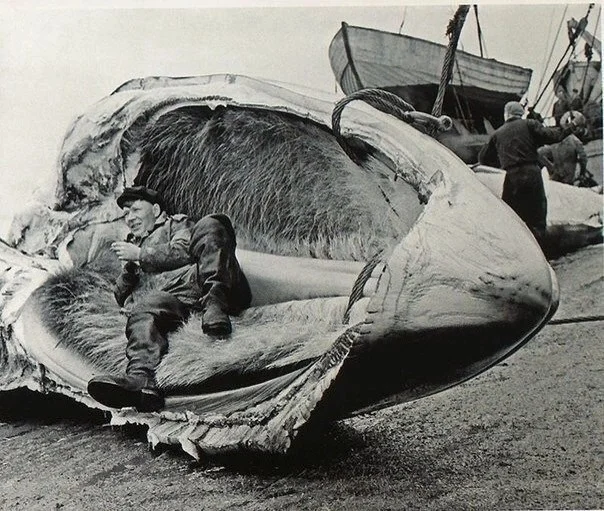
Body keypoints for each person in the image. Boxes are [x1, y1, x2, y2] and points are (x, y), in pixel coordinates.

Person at [87, 186, 252, 412]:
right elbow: (120, 295)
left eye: (135, 210)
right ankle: (141, 379)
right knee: (145, 308)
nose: (130, 218)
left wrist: (141, 255)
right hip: (176, 299)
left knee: (212, 223)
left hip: (207, 282)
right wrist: (129, 270)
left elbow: (185, 251)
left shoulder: (176, 225)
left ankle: (215, 303)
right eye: (126, 213)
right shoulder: (133, 242)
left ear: (155, 210)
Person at [478, 101, 567, 244]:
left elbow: (483, 158)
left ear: (506, 114)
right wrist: (571, 127)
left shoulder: (497, 134)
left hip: (511, 177)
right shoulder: (529, 124)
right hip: (531, 173)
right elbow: (553, 136)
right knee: (537, 216)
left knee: (513, 216)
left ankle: (518, 247)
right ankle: (542, 247)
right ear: (521, 113)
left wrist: (503, 161)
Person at [538, 111, 589, 185]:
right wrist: (582, 173)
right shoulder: (575, 141)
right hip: (569, 178)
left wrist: (551, 168)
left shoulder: (554, 142)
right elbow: (583, 158)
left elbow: (539, 154)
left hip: (555, 179)